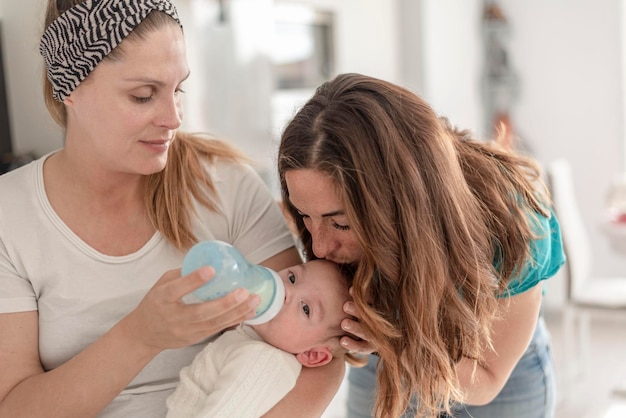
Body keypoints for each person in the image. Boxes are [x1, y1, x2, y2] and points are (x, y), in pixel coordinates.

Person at [0, 1, 345, 417]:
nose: (173, 117)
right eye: (143, 95)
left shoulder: (226, 186)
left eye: (177, 88)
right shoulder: (10, 216)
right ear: (69, 86)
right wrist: (139, 336)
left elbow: (315, 351)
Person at [277, 73, 566, 418]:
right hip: (384, 355)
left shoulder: (511, 221)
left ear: (401, 203)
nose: (320, 248)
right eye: (305, 217)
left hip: (491, 370)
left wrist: (394, 345)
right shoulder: (321, 215)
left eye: (341, 223)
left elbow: (487, 380)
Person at [166, 259, 366, 417]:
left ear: (313, 355)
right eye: (293, 278)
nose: (287, 291)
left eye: (306, 309)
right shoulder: (253, 340)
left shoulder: (265, 361)